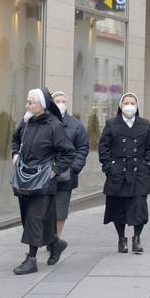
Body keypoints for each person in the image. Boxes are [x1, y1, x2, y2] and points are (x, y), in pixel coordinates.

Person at [11, 88, 75, 275]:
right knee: (28, 218)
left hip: (44, 181)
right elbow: (15, 140)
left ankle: (31, 260)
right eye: (27, 101)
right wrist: (15, 154)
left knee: (34, 217)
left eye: (31, 102)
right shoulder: (26, 122)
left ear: (42, 105)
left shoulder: (54, 126)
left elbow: (68, 152)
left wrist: (55, 171)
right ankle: (56, 244)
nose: (27, 105)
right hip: (24, 179)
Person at [98, 93, 150, 254]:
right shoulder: (112, 124)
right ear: (120, 105)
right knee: (118, 208)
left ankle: (137, 238)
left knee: (139, 206)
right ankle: (121, 238)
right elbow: (103, 147)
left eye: (132, 102)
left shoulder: (144, 124)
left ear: (137, 106)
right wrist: (108, 167)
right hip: (118, 171)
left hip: (139, 171)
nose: (129, 105)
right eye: (126, 102)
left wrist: (148, 165)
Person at [51, 91, 89, 236]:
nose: (60, 104)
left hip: (66, 175)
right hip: (46, 173)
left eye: (63, 101)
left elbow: (83, 147)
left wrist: (74, 168)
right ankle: (48, 236)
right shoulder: (44, 121)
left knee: (60, 211)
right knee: (45, 210)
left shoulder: (76, 124)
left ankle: (55, 240)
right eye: (57, 101)